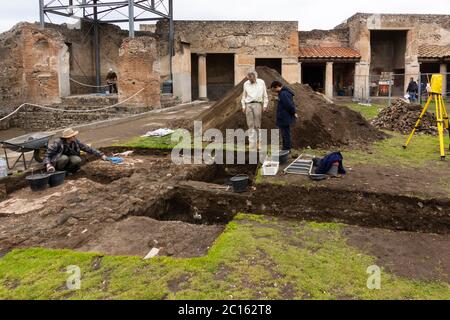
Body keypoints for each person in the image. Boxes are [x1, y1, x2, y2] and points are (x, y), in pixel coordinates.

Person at [241, 70, 269, 150]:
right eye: (249, 79)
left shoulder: (261, 82)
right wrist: (243, 105)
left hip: (257, 104)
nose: (250, 80)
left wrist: (265, 105)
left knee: (257, 125)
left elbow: (265, 94)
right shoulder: (246, 83)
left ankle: (259, 143)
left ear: (255, 77)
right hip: (248, 104)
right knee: (250, 125)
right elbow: (244, 95)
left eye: (252, 79)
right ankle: (251, 144)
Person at [270, 80, 298, 152]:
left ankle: (287, 149)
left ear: (277, 87)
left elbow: (288, 105)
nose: (274, 91)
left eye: (274, 89)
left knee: (286, 134)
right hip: (284, 116)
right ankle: (285, 148)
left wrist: (294, 112)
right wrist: (277, 99)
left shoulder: (283, 93)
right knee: (285, 133)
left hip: (284, 117)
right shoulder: (283, 93)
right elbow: (284, 102)